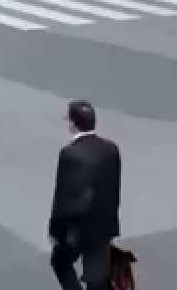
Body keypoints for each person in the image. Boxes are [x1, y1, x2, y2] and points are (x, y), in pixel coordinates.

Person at [49, 100, 122, 290]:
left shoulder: (70, 154)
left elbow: (63, 198)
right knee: (97, 278)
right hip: (104, 225)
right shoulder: (111, 149)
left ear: (73, 123)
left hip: (78, 230)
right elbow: (114, 188)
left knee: (61, 261)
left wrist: (55, 231)